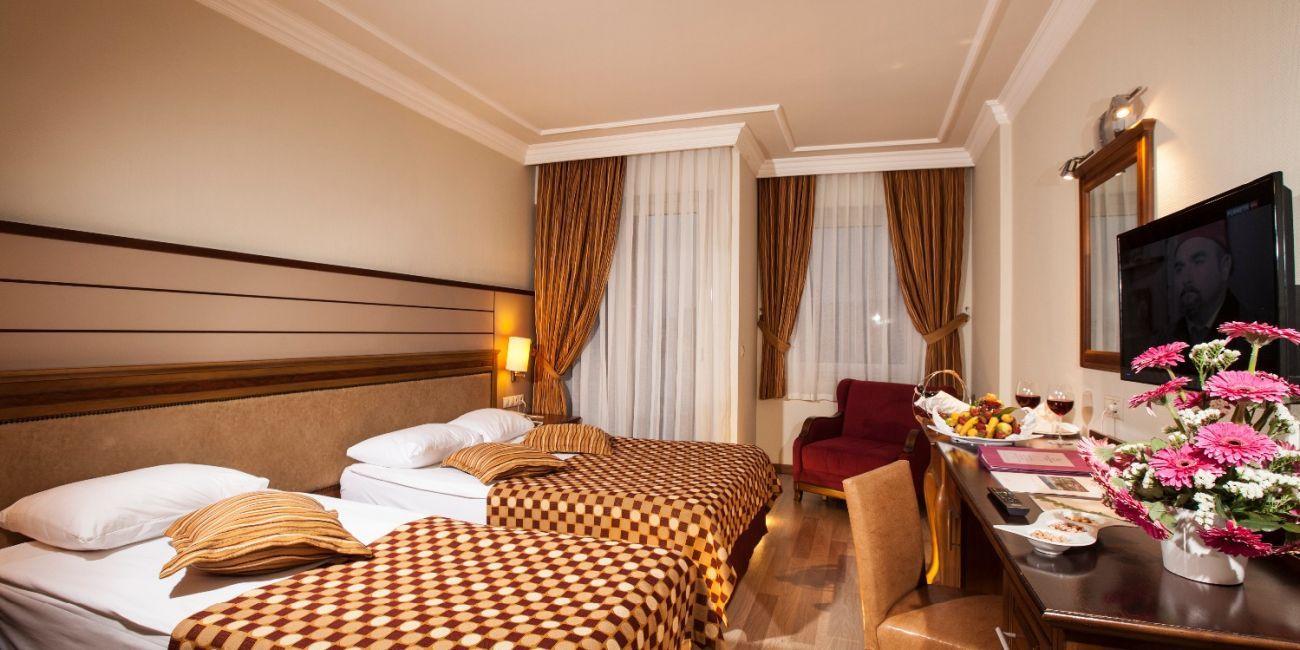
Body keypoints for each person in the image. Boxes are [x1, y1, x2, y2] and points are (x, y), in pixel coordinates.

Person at [1166, 223, 1240, 347]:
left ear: (1225, 266)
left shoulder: (1256, 337)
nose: (1186, 278)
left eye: (1198, 262)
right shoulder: (1163, 339)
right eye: (1179, 268)